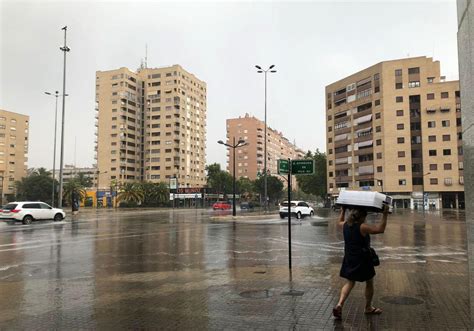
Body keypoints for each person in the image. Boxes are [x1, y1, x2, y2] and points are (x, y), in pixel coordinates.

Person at [332, 205, 389, 320]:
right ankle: (368, 307)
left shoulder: (345, 226)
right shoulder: (362, 227)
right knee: (369, 282)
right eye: (365, 216)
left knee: (350, 282)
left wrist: (343, 210)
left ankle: (339, 304)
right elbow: (380, 229)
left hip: (349, 258)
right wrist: (385, 214)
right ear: (362, 217)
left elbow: (339, 222)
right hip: (363, 259)